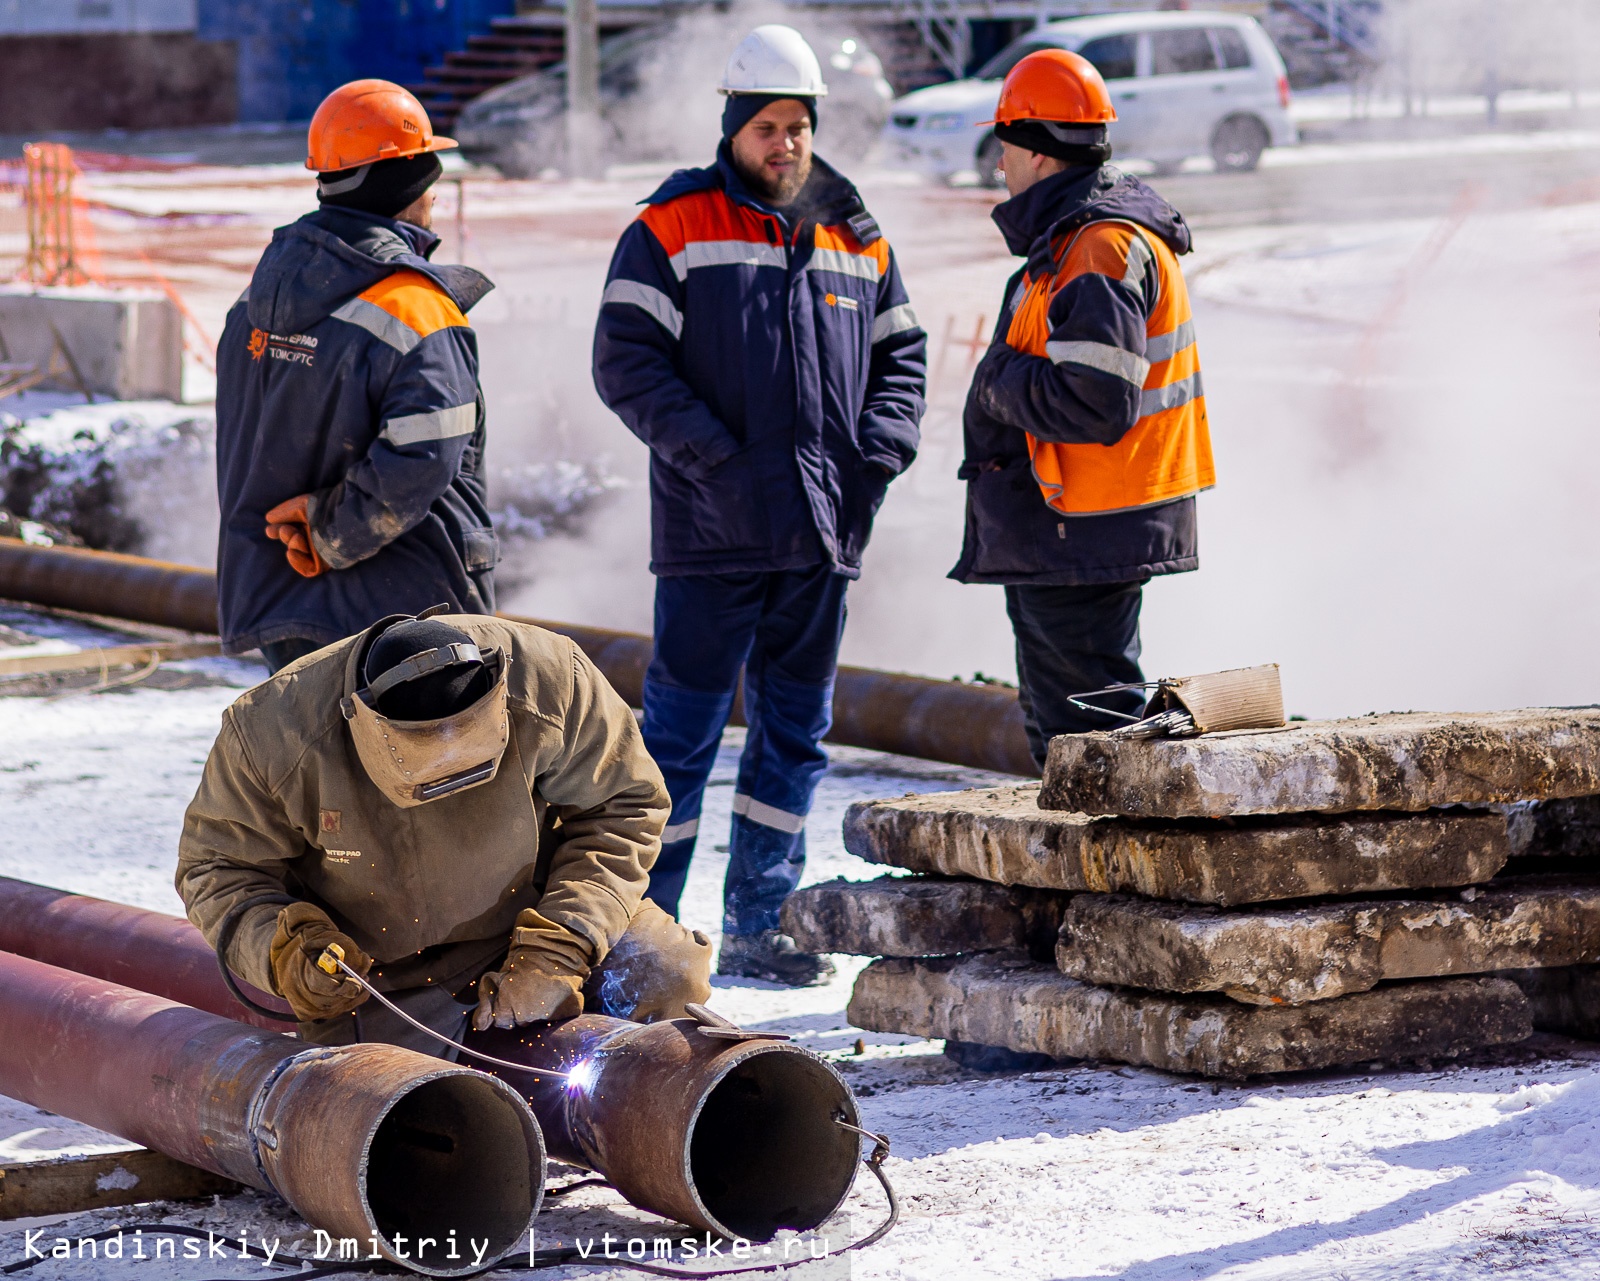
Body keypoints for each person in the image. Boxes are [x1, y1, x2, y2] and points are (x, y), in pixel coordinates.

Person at [592, 25, 926, 985]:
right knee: (677, 746)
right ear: (735, 127)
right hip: (711, 538)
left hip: (821, 539)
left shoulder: (856, 234)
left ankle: (763, 923)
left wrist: (877, 458)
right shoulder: (673, 226)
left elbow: (902, 354)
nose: (786, 144)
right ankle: (645, 937)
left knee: (793, 738)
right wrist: (715, 460)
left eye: (799, 126)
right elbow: (624, 361)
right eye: (768, 127)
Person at [176, 610, 712, 1051]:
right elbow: (217, 868)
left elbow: (623, 807)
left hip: (537, 916)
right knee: (380, 1106)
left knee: (662, 971)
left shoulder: (552, 680)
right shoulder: (274, 733)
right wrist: (286, 953)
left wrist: (561, 947)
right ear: (357, 719)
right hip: (383, 974)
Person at [951, 49, 1214, 769]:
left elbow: (1096, 403)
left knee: (1090, 743)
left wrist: (996, 380)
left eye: (1005, 143)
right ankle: (1092, 873)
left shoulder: (1097, 246)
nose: (999, 162)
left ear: (1037, 150)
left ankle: (1114, 875)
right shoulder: (1077, 240)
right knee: (1066, 732)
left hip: (1084, 527)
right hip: (1072, 526)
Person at [214, 80, 500, 675]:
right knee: (421, 768)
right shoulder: (415, 308)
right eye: (429, 184)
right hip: (407, 612)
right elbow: (424, 457)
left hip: (282, 601)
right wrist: (329, 534)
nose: (433, 204)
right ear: (406, 185)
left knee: (319, 768)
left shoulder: (255, 301)